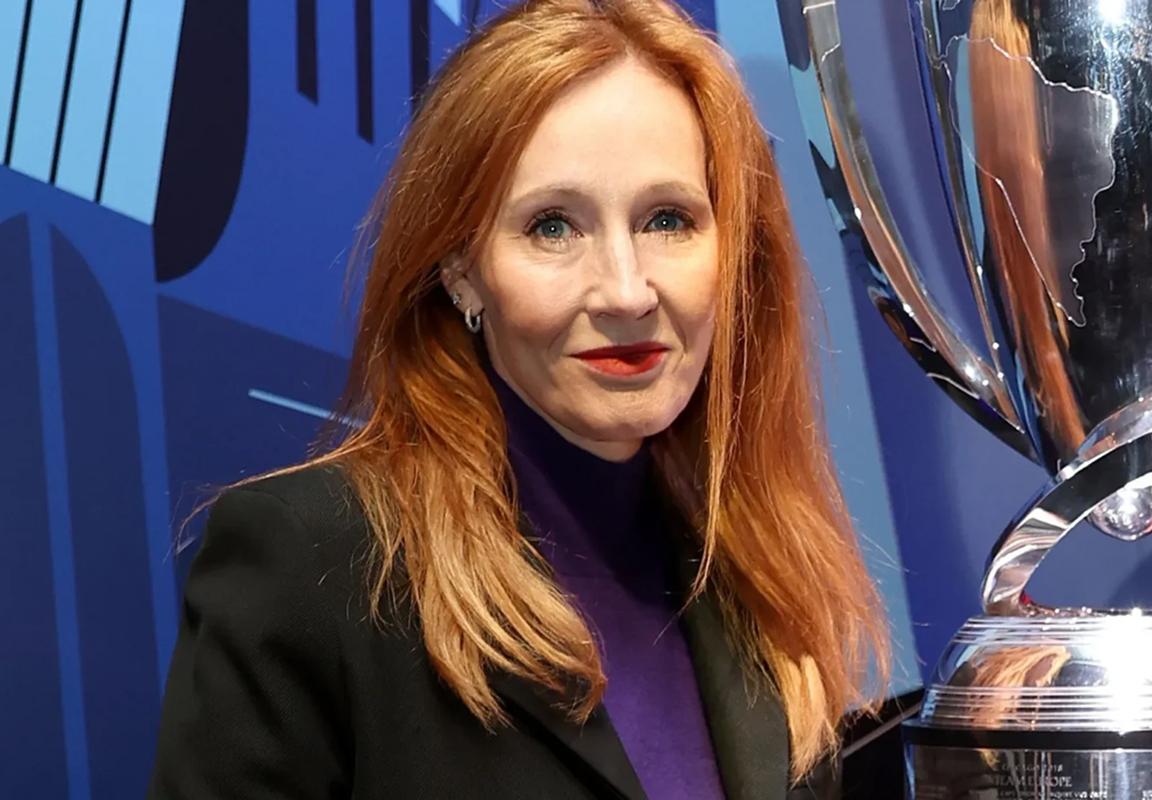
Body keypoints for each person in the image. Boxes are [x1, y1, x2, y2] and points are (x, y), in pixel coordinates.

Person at [147, 0, 889, 797]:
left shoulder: (755, 570)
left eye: (667, 219)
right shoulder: (314, 568)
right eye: (553, 227)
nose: (626, 290)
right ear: (461, 270)